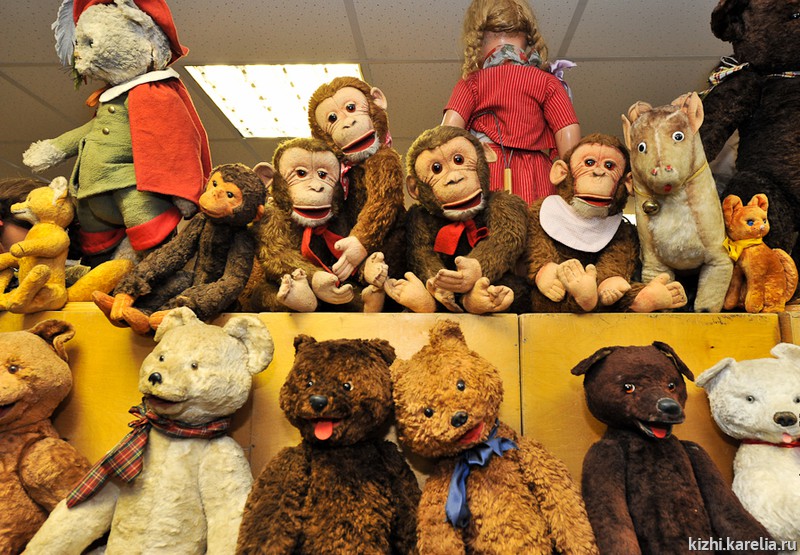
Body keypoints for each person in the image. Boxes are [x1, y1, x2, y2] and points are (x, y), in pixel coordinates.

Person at [442, 0, 581, 204]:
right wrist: (573, 185)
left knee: (488, 222)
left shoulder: (471, 83)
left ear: (479, 41)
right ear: (527, 40)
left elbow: (446, 137)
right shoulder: (548, 82)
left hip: (488, 175)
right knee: (539, 221)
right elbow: (568, 132)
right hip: (538, 178)